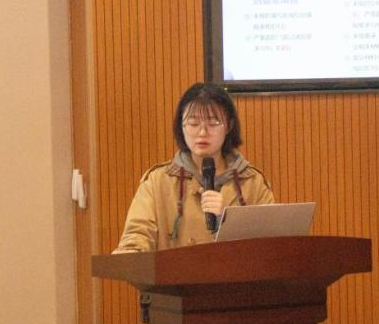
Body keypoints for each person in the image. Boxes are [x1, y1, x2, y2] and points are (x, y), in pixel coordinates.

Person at [114, 82, 274, 253]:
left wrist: (228, 220)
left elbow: (271, 245)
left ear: (229, 125)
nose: (202, 132)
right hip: (176, 271)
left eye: (212, 123)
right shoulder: (158, 181)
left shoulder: (252, 182)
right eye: (193, 123)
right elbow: (136, 237)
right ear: (181, 127)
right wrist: (127, 256)